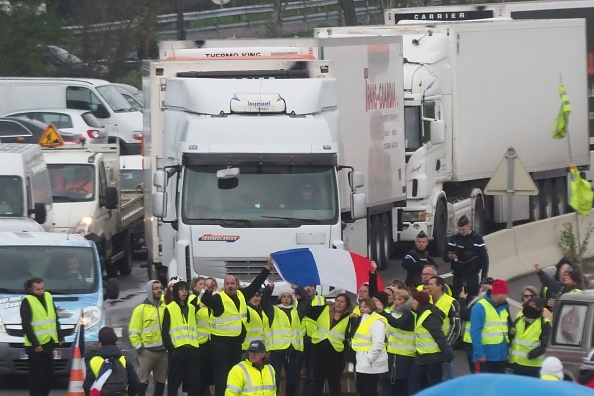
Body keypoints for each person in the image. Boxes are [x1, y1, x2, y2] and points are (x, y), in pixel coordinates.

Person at [201, 258, 273, 396]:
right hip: (220, 346)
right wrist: (208, 291)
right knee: (222, 380)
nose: (230, 286)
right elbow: (206, 301)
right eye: (227, 283)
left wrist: (267, 268)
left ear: (237, 285)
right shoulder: (218, 298)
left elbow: (256, 284)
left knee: (235, 379)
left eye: (232, 283)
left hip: (236, 346)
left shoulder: (242, 295)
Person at [262, 283, 311, 396]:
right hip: (277, 351)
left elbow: (307, 300)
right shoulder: (274, 310)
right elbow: (264, 303)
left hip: (293, 351)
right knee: (275, 379)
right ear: (280, 299)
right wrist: (269, 289)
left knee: (293, 381)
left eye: (289, 296)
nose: (286, 299)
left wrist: (298, 288)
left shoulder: (296, 311)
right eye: (284, 296)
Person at [20, 277, 64, 396]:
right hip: (36, 347)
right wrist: (36, 344)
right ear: (30, 289)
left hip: (49, 342)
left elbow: (54, 318)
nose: (41, 292)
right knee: (37, 378)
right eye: (37, 289)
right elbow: (26, 325)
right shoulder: (27, 301)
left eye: (42, 288)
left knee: (49, 375)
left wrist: (60, 336)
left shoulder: (48, 296)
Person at [307, 292, 352, 396]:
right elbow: (307, 309)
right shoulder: (323, 310)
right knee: (317, 381)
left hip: (336, 355)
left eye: (342, 302)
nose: (339, 303)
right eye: (337, 300)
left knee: (334, 381)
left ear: (347, 305)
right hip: (319, 353)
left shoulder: (349, 317)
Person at [408, 291, 453, 395]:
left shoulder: (429, 317)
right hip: (423, 357)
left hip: (433, 358)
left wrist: (448, 354)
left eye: (414, 300)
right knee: (418, 383)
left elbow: (439, 336)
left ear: (419, 302)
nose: (411, 303)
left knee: (431, 385)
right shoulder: (420, 313)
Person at [161, 281, 200, 396]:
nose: (184, 292)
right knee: (174, 384)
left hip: (192, 350)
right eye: (181, 289)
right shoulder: (170, 308)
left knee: (194, 383)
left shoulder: (192, 308)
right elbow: (165, 332)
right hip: (177, 352)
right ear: (176, 291)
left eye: (186, 289)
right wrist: (172, 350)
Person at [128, 280, 168, 396]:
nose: (159, 290)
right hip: (147, 352)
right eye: (155, 288)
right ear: (149, 290)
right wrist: (140, 348)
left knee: (160, 383)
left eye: (160, 288)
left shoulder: (165, 307)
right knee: (142, 383)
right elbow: (133, 331)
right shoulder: (140, 309)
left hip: (163, 352)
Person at [378, 288, 415, 396]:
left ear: (406, 301)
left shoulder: (409, 314)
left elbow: (397, 323)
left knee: (402, 386)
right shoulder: (396, 313)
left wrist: (383, 312)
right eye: (395, 299)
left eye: (400, 299)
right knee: (393, 386)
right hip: (393, 354)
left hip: (405, 355)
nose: (397, 302)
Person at [470, 279, 512, 373]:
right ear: (500, 293)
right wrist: (480, 353)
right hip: (486, 357)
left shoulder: (503, 307)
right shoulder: (480, 307)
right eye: (506, 294)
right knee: (484, 385)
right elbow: (475, 332)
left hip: (501, 356)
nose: (506, 297)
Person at [83, 326, 140, 396]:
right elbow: (135, 383)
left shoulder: (94, 361)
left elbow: (87, 385)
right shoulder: (123, 360)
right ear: (116, 342)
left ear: (100, 343)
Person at [443, 214, 489, 300]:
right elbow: (445, 257)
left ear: (469, 226)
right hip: (458, 274)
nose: (461, 232)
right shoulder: (454, 239)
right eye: (459, 229)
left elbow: (485, 260)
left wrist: (484, 278)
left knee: (472, 298)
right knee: (457, 297)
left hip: (472, 274)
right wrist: (450, 257)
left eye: (463, 229)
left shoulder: (477, 239)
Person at [351, 296, 389, 396]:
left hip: (371, 363)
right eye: (361, 307)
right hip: (362, 361)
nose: (362, 309)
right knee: (361, 388)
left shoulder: (377, 321)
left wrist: (369, 359)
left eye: (365, 307)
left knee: (370, 390)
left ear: (371, 307)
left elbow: (378, 343)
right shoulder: (362, 320)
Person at [508, 296, 551, 378]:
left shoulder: (544, 323)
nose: (531, 307)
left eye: (535, 306)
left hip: (533, 367)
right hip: (515, 364)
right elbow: (512, 338)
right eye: (530, 304)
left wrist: (534, 353)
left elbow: (546, 344)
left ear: (540, 309)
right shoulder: (519, 320)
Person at [427, 276, 460, 380]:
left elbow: (456, 326)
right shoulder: (427, 300)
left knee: (446, 378)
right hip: (427, 349)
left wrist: (447, 346)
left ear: (440, 286)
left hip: (442, 347)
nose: (429, 287)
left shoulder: (451, 302)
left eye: (431, 284)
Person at [458, 277, 493, 373]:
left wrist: (462, 300)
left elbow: (465, 315)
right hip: (480, 342)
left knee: (476, 371)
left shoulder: (479, 304)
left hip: (472, 342)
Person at [298, 285, 325, 396]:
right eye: (306, 286)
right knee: (295, 372)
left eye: (311, 286)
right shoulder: (295, 300)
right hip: (299, 339)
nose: (308, 288)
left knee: (312, 372)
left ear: (315, 288)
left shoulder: (321, 300)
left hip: (314, 338)